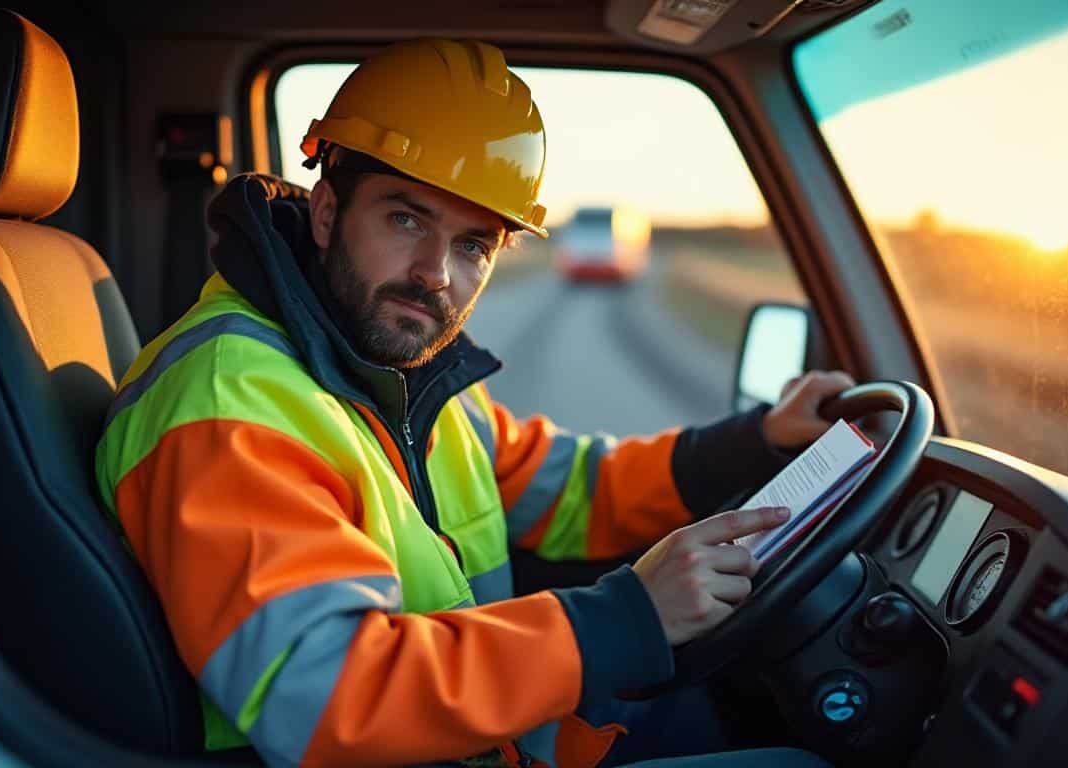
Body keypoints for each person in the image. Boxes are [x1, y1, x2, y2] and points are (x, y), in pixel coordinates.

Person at [96, 38, 849, 768]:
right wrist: (622, 621)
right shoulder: (231, 403)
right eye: (405, 218)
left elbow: (575, 489)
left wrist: (762, 440)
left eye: (473, 246)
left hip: (494, 734)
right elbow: (324, 698)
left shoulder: (402, 374)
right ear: (326, 211)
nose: (436, 275)